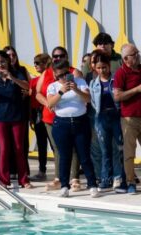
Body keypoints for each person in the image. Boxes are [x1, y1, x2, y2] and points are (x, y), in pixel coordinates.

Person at [45, 59, 99, 198]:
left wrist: (75, 89)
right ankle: (64, 186)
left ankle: (92, 185)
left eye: (65, 74)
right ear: (54, 75)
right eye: (59, 76)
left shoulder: (79, 82)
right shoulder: (52, 86)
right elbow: (50, 103)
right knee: (65, 156)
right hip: (61, 124)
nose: (63, 78)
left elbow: (88, 99)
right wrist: (61, 92)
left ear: (69, 71)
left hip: (80, 122)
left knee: (84, 155)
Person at [35, 46, 84, 191]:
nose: (58, 58)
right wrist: (48, 104)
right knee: (57, 148)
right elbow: (37, 93)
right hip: (50, 116)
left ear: (67, 57)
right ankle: (58, 178)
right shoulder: (47, 72)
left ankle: (74, 178)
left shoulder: (74, 72)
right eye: (55, 56)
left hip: (70, 116)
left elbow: (81, 92)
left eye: (61, 56)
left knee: (73, 148)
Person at [113, 43, 141, 195]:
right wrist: (137, 89)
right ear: (125, 58)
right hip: (129, 119)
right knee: (129, 153)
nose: (138, 55)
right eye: (134, 54)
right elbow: (117, 96)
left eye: (137, 52)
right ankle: (131, 182)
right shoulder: (120, 73)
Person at [0, 49, 31, 188]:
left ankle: (24, 180)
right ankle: (3, 180)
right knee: (4, 149)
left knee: (19, 148)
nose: (0, 65)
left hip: (17, 116)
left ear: (8, 61)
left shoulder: (17, 72)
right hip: (1, 117)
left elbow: (28, 86)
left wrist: (11, 77)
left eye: (2, 61)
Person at [89, 50, 126, 193]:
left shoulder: (115, 80)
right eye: (98, 68)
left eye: (104, 67)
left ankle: (119, 178)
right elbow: (93, 101)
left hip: (115, 116)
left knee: (118, 148)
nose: (101, 70)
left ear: (109, 66)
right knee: (105, 150)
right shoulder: (94, 83)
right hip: (101, 117)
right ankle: (105, 179)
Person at [29, 53, 52, 181]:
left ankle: (61, 170)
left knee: (54, 143)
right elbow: (30, 100)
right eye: (35, 63)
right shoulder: (33, 81)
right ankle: (42, 170)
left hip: (48, 111)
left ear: (45, 63)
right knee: (41, 144)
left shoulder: (50, 77)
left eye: (38, 63)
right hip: (37, 113)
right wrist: (30, 117)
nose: (35, 65)